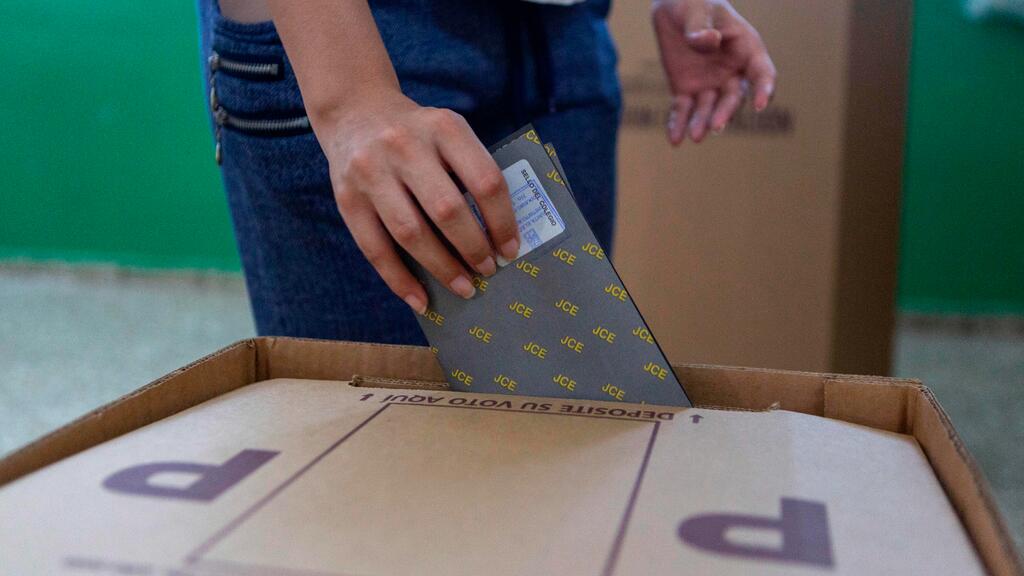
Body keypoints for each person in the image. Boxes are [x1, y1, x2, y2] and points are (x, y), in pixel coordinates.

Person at [197, 0, 775, 345]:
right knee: (375, 475)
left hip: (564, 37)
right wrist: (352, 99)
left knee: (562, 450)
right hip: (357, 41)